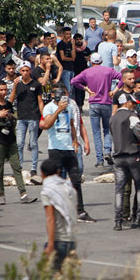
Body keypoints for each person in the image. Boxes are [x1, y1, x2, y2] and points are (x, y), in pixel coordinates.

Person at [40, 83, 96, 224]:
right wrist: (58, 110)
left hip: (69, 149)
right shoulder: (49, 107)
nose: (62, 98)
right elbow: (46, 125)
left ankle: (80, 211)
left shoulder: (70, 107)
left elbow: (72, 124)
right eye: (59, 95)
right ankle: (58, 211)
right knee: (57, 181)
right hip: (55, 148)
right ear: (53, 95)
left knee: (76, 180)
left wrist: (75, 141)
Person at [0, 81, 36, 205]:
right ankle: (1, 195)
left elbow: (13, 119)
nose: (4, 92)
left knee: (17, 167)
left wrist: (11, 119)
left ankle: (23, 193)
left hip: (11, 140)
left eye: (5, 90)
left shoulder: (8, 104)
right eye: (1, 90)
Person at [71, 52, 122, 170]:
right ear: (101, 61)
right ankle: (107, 151)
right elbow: (121, 78)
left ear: (91, 62)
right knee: (107, 130)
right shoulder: (108, 70)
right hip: (106, 102)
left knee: (96, 132)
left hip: (94, 103)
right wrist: (115, 90)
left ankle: (99, 159)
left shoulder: (87, 72)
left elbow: (74, 81)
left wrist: (86, 89)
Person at [109, 93, 140, 231]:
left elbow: (113, 135)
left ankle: (118, 221)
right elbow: (139, 133)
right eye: (133, 103)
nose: (135, 105)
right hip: (133, 155)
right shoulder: (132, 116)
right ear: (126, 103)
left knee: (119, 190)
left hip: (118, 157)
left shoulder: (113, 118)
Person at [39, 158, 78, 272]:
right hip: (71, 239)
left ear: (42, 174)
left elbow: (50, 219)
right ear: (58, 172)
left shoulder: (48, 191)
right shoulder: (69, 188)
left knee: (49, 276)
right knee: (67, 277)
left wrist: (50, 244)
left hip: (58, 240)